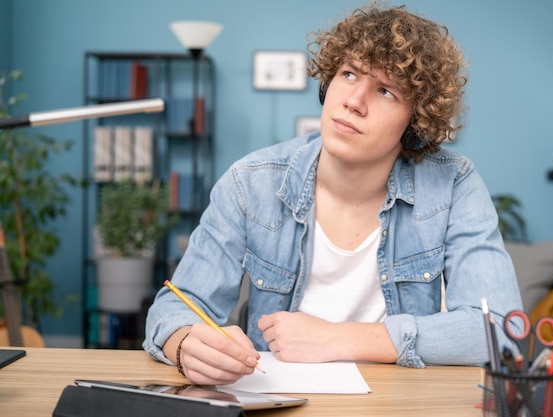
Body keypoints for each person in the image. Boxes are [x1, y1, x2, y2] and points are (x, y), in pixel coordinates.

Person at [143, 3, 522, 385]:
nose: (354, 102)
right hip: (276, 399)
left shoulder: (453, 184)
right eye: (349, 73)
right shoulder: (249, 183)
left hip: (399, 404)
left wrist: (336, 338)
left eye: (386, 91)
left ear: (416, 119)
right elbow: (177, 305)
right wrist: (186, 343)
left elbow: (502, 333)